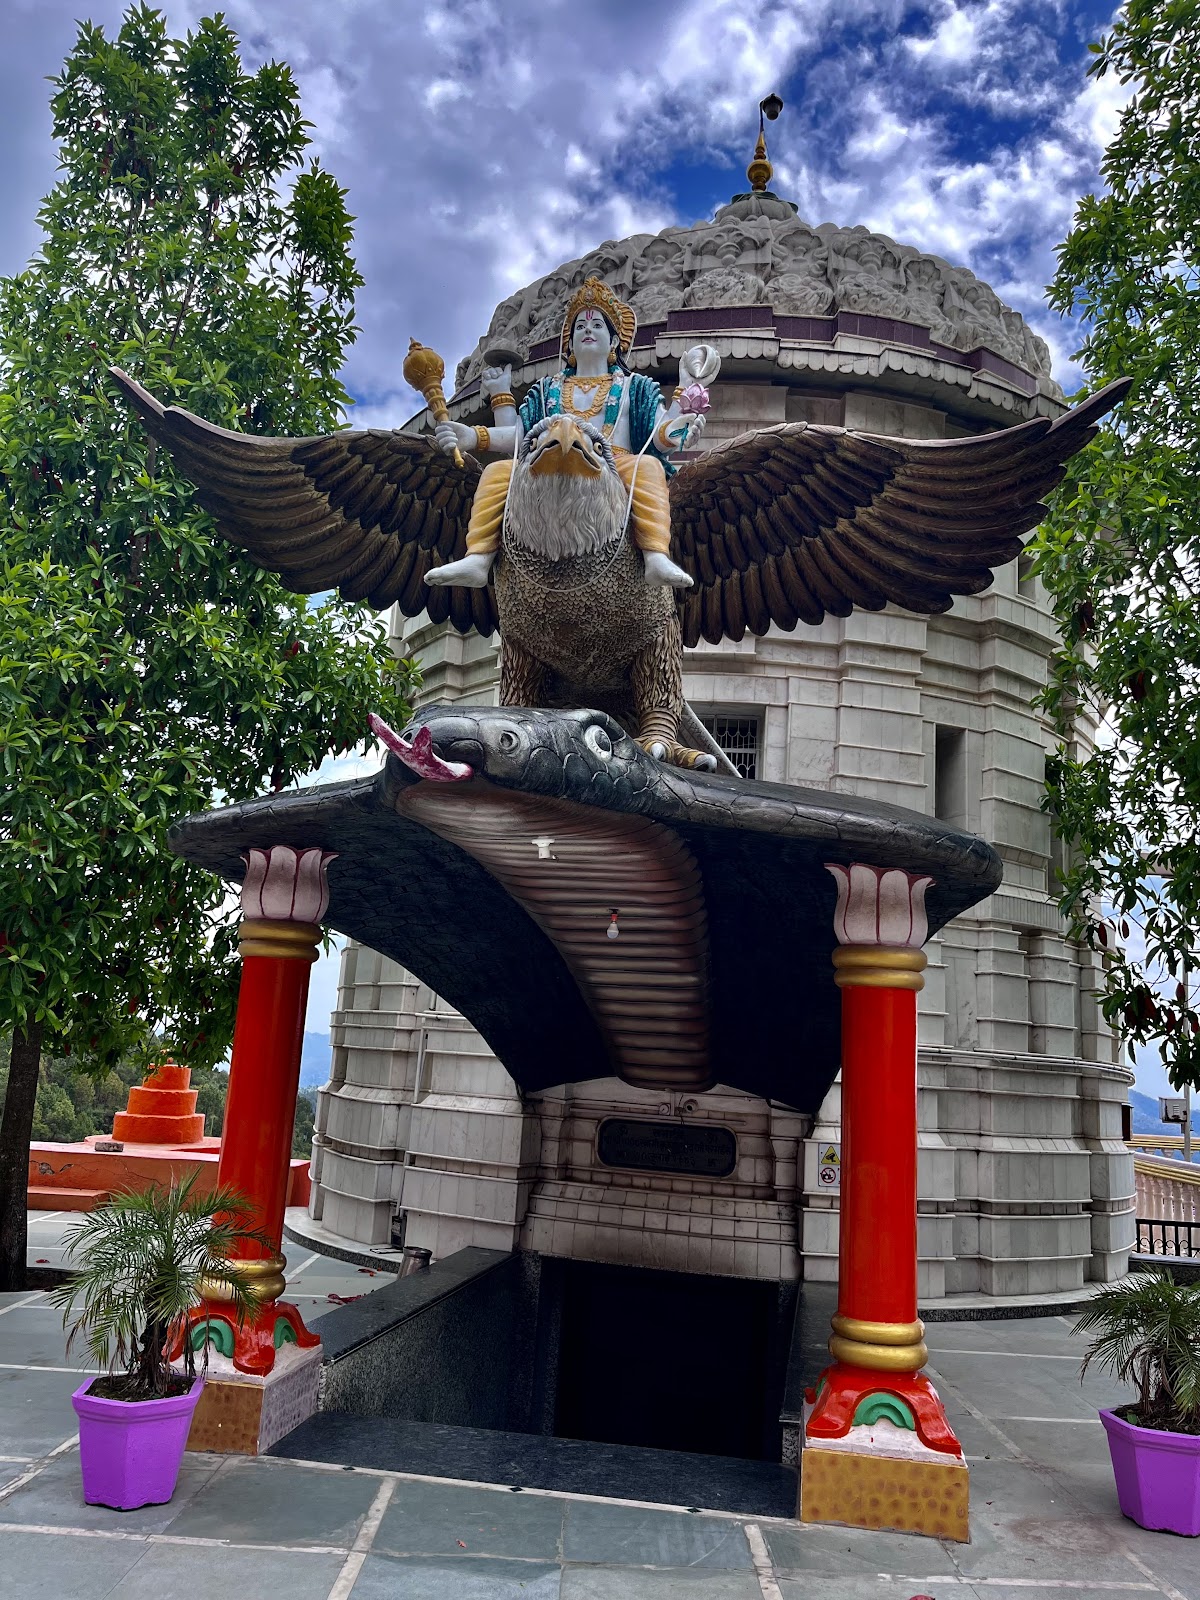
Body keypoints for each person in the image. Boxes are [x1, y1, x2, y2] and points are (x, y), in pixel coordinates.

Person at [427, 277, 714, 591]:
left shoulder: (634, 386)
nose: (587, 330)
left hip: (611, 465)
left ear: (614, 342)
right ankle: (478, 557)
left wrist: (684, 403)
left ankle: (655, 554)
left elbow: (658, 437)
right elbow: (521, 436)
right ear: (570, 344)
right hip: (548, 460)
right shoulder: (548, 389)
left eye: (597, 325)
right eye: (580, 326)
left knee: (648, 466)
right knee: (497, 472)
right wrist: (474, 436)